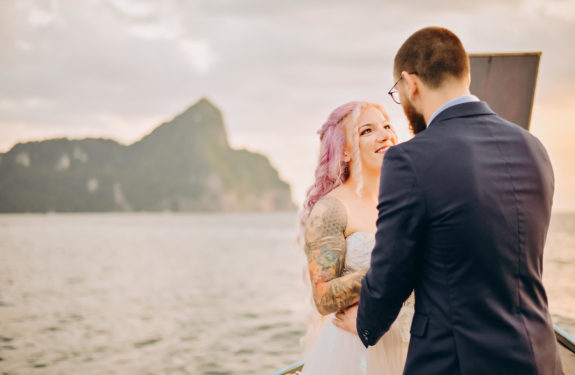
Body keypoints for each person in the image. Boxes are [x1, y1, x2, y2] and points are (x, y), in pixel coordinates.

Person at [333, 26, 563, 374]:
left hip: (456, 362)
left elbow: (392, 270)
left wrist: (365, 323)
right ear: (464, 75)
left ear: (410, 84)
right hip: (540, 356)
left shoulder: (410, 159)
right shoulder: (533, 148)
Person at [299, 101, 413, 375]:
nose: (386, 135)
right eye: (367, 131)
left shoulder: (407, 198)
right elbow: (323, 297)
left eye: (387, 126)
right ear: (345, 151)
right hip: (357, 353)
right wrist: (390, 270)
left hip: (411, 341)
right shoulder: (331, 209)